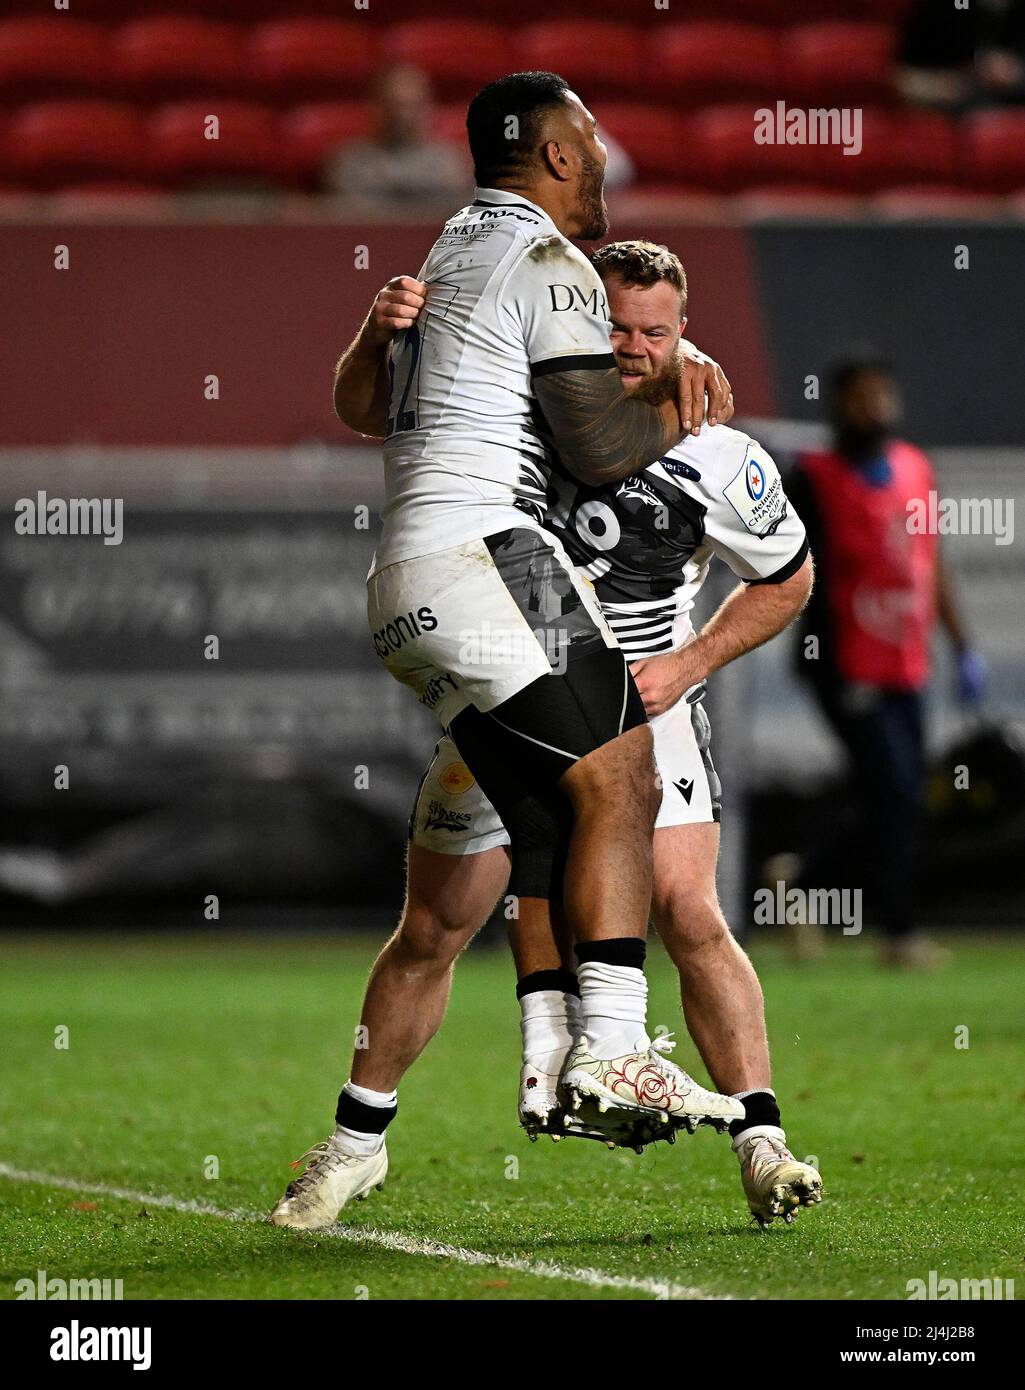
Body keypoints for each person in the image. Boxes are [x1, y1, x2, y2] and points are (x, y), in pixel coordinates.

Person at [271, 241, 823, 1231]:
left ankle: (759, 1141)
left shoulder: (713, 451)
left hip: (646, 704)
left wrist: (687, 665)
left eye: (654, 331)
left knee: (691, 913)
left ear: (683, 332)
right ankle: (355, 1147)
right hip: (509, 692)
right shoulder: (507, 418)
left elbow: (787, 575)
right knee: (433, 930)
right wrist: (379, 331)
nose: (630, 345)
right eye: (611, 324)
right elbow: (365, 409)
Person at [785, 358, 987, 968]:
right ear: (838, 405)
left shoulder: (913, 468)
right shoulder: (813, 477)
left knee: (897, 797)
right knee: (894, 790)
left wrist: (963, 643)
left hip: (906, 659)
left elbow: (931, 564)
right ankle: (898, 932)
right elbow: (790, 567)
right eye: (861, 397)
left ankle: (801, 884)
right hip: (843, 660)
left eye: (882, 395)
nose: (874, 408)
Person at [324, 65, 469, 206]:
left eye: (412, 106)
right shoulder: (349, 163)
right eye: (394, 105)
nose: (402, 116)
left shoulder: (452, 165)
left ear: (429, 107)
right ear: (375, 106)